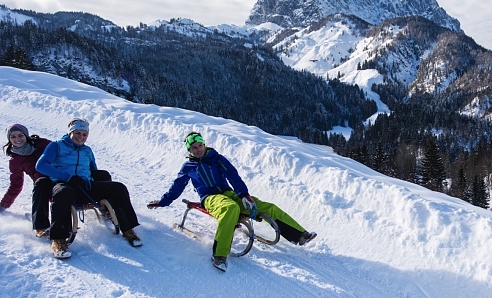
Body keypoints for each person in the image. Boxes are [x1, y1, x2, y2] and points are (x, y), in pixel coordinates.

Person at [148, 132, 316, 271]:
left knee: (265, 206)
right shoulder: (188, 167)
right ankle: (219, 255)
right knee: (230, 209)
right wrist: (163, 202)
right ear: (189, 150)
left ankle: (300, 235)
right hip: (210, 198)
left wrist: (244, 194)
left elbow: (233, 176)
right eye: (194, 148)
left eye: (200, 145)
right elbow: (177, 187)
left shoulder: (217, 159)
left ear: (204, 144)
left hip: (228, 192)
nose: (198, 149)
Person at [36, 118, 143, 259]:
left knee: (118, 188)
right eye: (78, 133)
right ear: (70, 132)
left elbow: (94, 170)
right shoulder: (56, 146)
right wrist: (67, 177)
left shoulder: (87, 150)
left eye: (84, 134)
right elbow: (41, 165)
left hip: (84, 185)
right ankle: (59, 240)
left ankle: (128, 229)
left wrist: (97, 184)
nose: (81, 137)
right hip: (64, 184)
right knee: (63, 192)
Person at [1, 124, 53, 236]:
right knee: (41, 185)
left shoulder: (42, 144)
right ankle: (41, 226)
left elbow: (61, 151)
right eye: (13, 137)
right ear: (9, 139)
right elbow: (16, 185)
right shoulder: (15, 161)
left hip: (59, 175)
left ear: (26, 135)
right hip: (43, 185)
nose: (17, 139)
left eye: (20, 135)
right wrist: (3, 205)